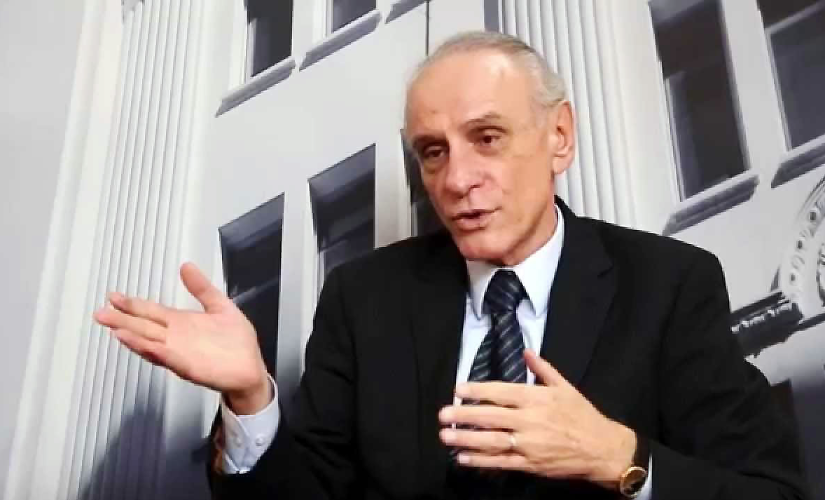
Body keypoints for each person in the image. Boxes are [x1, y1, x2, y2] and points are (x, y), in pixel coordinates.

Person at [94, 31, 807, 499]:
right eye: (432, 152)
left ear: (559, 137)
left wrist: (620, 457)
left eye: (486, 138)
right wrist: (251, 397)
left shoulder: (667, 286)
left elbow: (772, 493)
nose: (457, 179)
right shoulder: (363, 301)